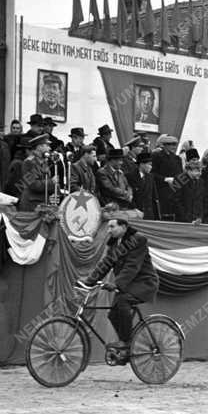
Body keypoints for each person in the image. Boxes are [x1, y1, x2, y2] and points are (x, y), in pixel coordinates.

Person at [79, 216, 159, 357]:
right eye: (108, 227)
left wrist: (116, 284)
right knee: (113, 314)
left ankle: (126, 342)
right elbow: (106, 264)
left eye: (112, 227)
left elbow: (132, 266)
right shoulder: (115, 243)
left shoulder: (138, 239)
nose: (109, 230)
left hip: (144, 283)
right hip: (128, 284)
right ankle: (125, 348)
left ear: (124, 227)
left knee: (123, 302)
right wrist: (88, 282)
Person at [18, 134, 55, 212]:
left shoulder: (44, 162)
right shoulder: (29, 162)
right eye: (47, 145)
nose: (49, 148)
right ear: (39, 147)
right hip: (32, 204)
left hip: (42, 203)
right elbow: (33, 185)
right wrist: (52, 182)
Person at [151, 134, 183, 220]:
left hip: (175, 191)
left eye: (174, 144)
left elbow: (180, 174)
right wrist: (164, 179)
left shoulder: (177, 159)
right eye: (170, 144)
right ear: (164, 145)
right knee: (164, 215)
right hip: (162, 190)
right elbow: (152, 173)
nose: (173, 146)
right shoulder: (156, 156)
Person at [176, 151, 205, 224]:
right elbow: (176, 201)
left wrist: (199, 217)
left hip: (197, 220)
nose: (200, 173)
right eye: (197, 171)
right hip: (182, 220)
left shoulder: (200, 181)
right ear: (189, 170)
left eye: (200, 171)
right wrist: (186, 218)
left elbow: (201, 200)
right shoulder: (180, 179)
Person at [129, 152, 160, 220]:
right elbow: (129, 196)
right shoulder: (130, 177)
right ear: (142, 164)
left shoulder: (151, 176)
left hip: (150, 214)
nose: (151, 167)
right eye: (149, 165)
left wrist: (157, 216)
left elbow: (154, 197)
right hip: (136, 214)